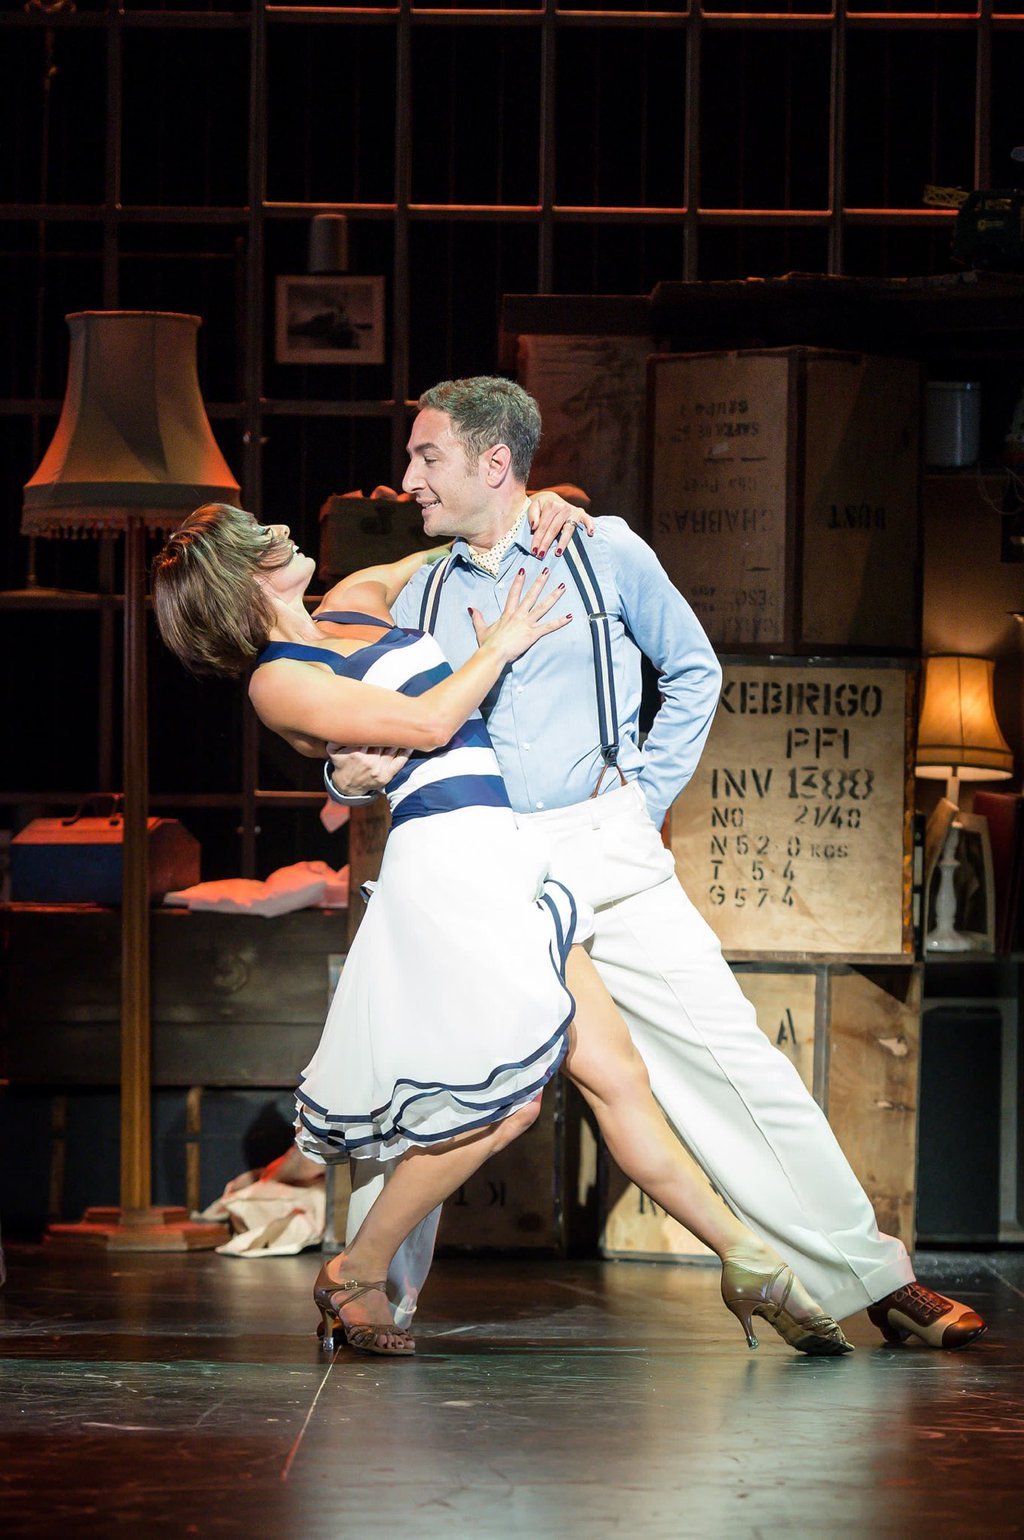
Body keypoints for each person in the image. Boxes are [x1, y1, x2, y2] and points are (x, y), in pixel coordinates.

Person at [324, 374, 986, 1353]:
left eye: (428, 457)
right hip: (484, 860)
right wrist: (352, 769)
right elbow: (386, 721)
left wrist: (643, 798)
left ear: (494, 462)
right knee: (431, 1076)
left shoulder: (604, 551)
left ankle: (875, 1278)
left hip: (605, 844)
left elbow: (692, 669)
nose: (409, 477)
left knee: (731, 1062)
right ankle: (367, 1290)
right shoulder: (420, 590)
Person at [151, 501, 853, 1361]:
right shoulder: (277, 680)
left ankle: (747, 1260)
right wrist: (500, 644)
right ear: (239, 579)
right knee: (510, 1103)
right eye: (263, 540)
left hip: (510, 856)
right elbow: (427, 724)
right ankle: (356, 1269)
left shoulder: (352, 601)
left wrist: (541, 502)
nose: (284, 535)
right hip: (447, 870)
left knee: (618, 1075)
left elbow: (452, 545)